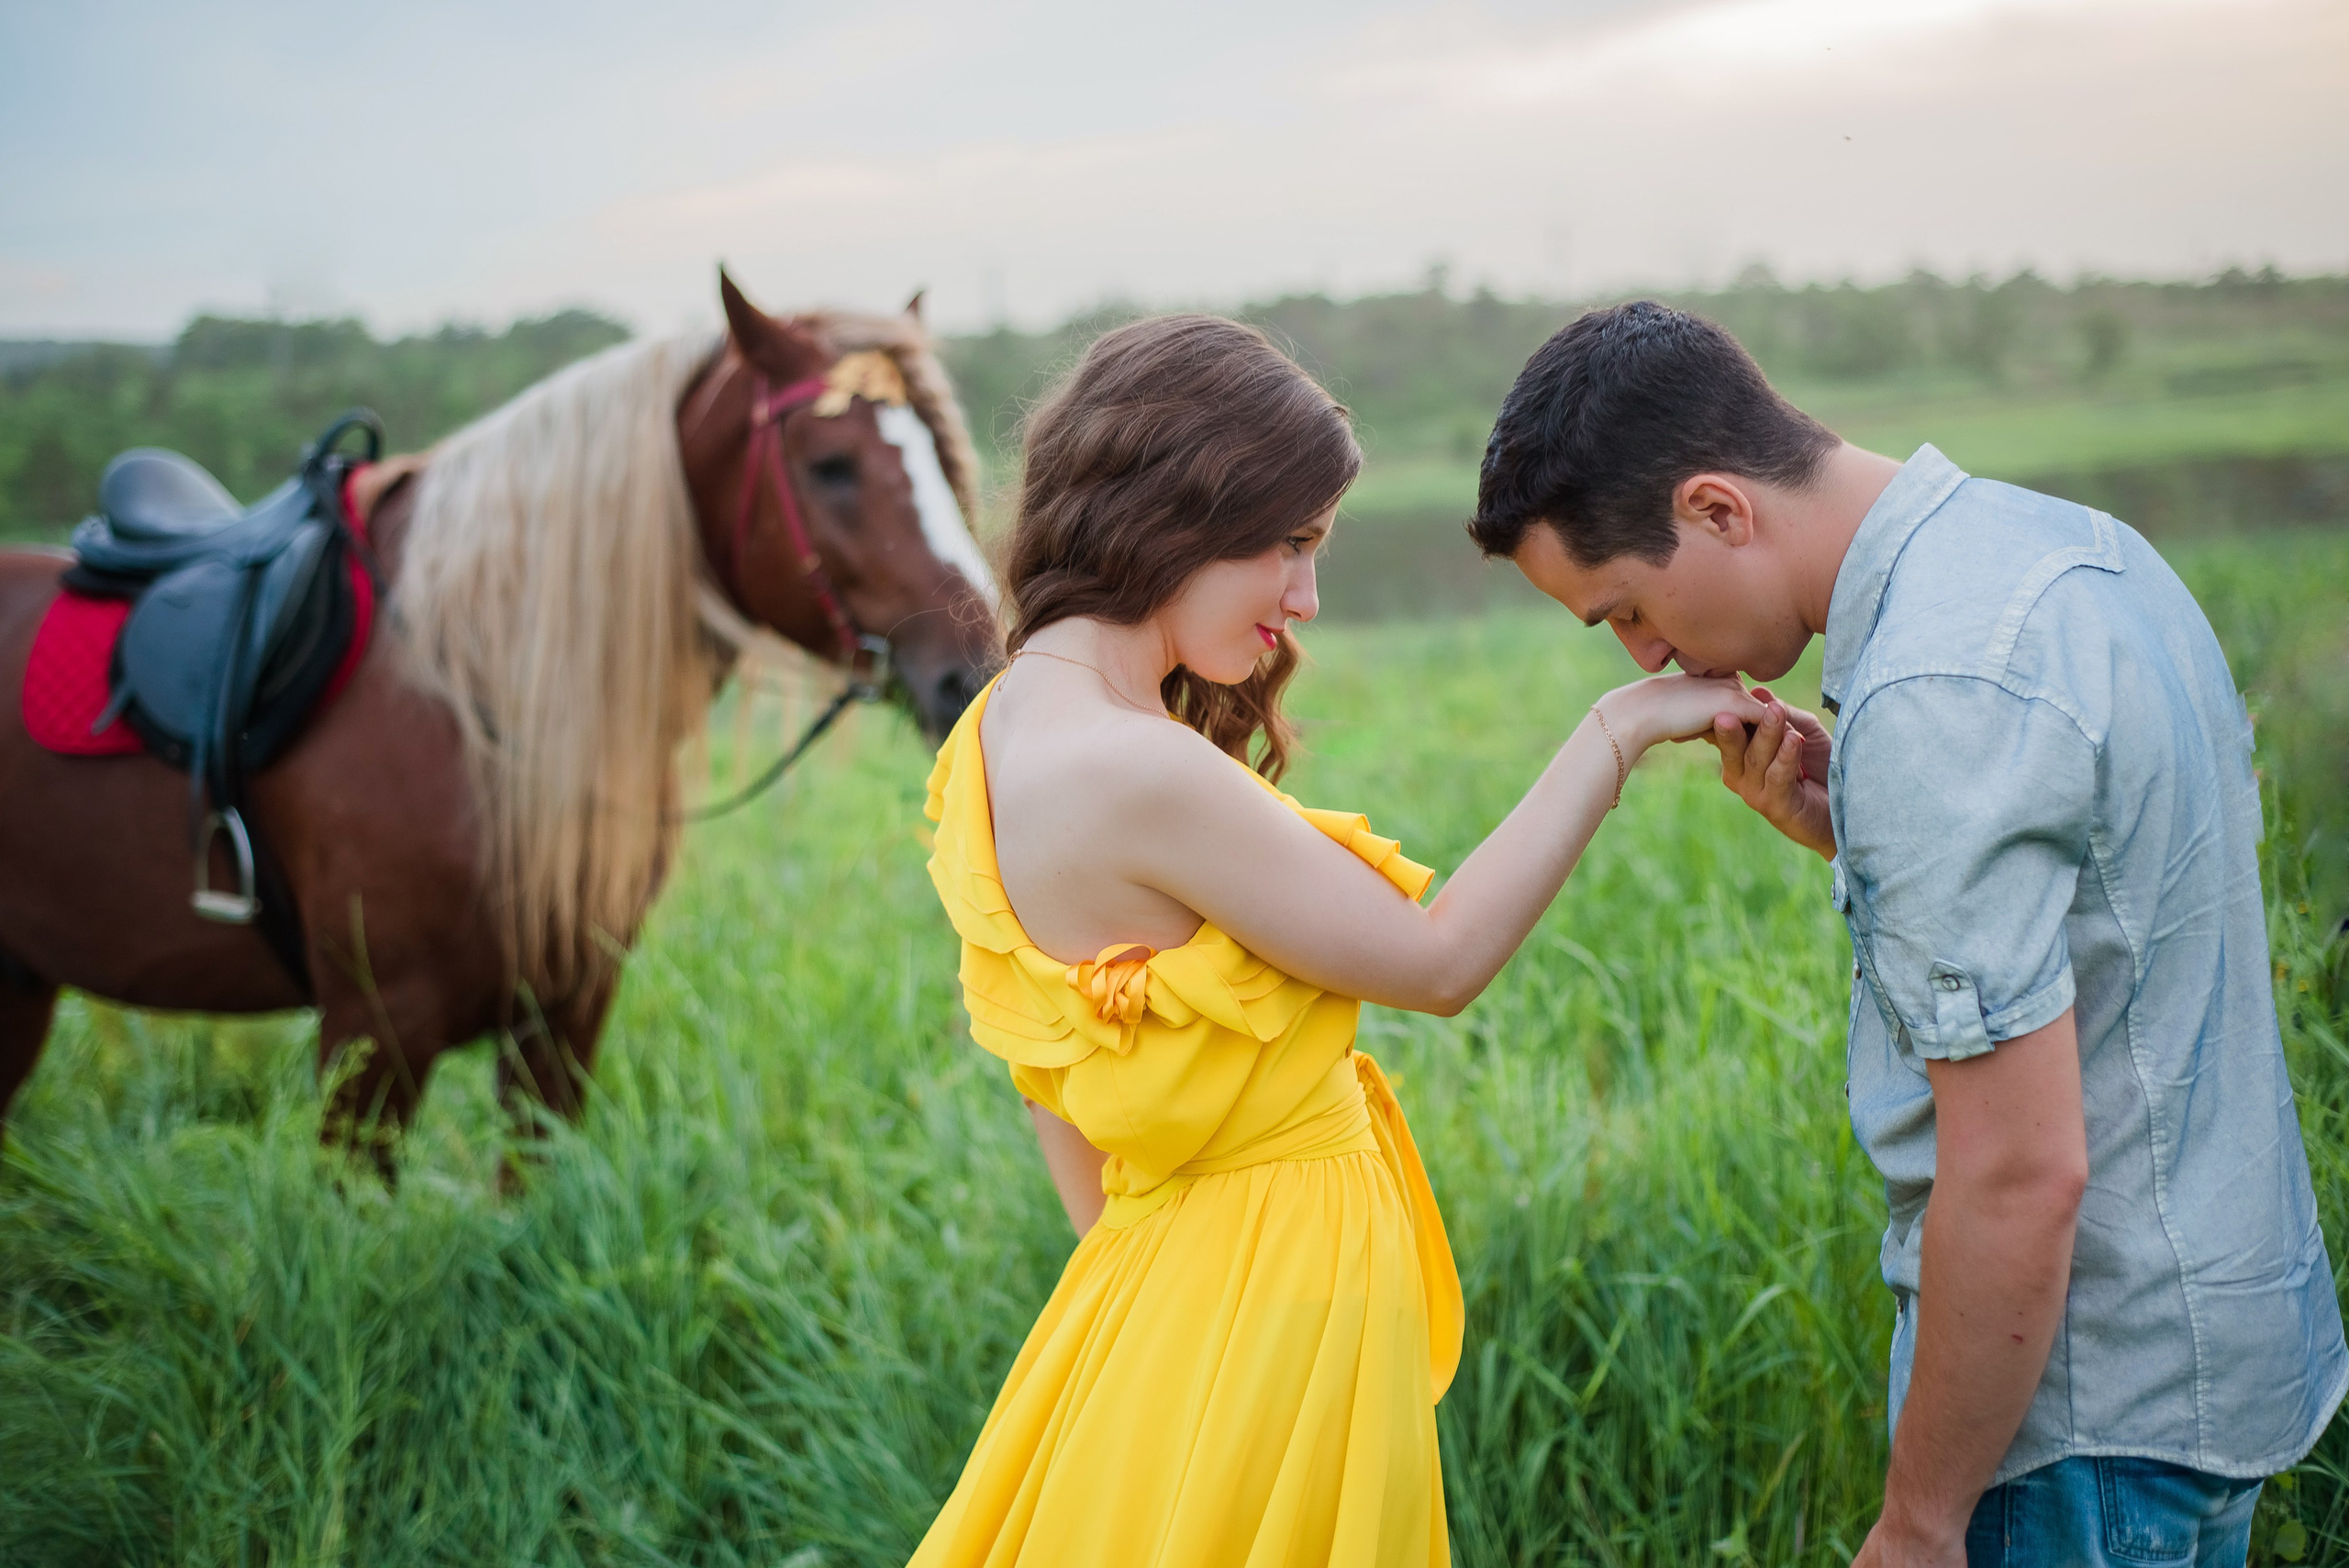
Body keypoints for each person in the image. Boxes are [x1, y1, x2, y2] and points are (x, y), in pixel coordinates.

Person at [1470, 300, 2348, 1568]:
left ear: (1718, 508)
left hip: (2073, 1422)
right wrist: (1861, 829)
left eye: (1625, 608)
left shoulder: (1937, 692)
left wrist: (1922, 1521)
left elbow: (2015, 1170)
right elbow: (2120, 921)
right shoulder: (2072, 551)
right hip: (2213, 1356)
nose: (1647, 655)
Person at [910, 314, 1759, 1567]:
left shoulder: (993, 740)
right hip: (1277, 1302)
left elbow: (1063, 1093)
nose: (1305, 598)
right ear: (1180, 508)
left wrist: (1171, 1325)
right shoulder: (1134, 765)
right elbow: (1437, 960)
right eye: (1292, 544)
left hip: (1167, 1296)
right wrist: (1618, 730)